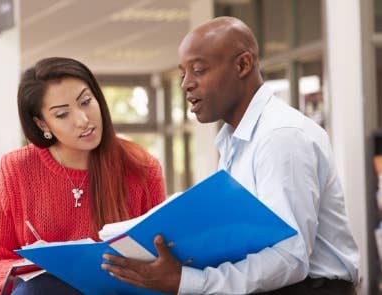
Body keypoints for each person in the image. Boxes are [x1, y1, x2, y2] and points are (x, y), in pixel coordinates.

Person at [101, 16, 360, 294]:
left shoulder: (279, 136)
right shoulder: (234, 142)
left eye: (198, 70)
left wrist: (188, 281)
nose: (186, 84)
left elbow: (290, 257)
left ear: (243, 65)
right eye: (182, 74)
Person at [0, 57, 167, 294]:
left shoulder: (141, 167)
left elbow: (162, 259)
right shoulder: (15, 168)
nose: (82, 120)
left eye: (86, 102)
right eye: (62, 114)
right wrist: (35, 265)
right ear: (42, 124)